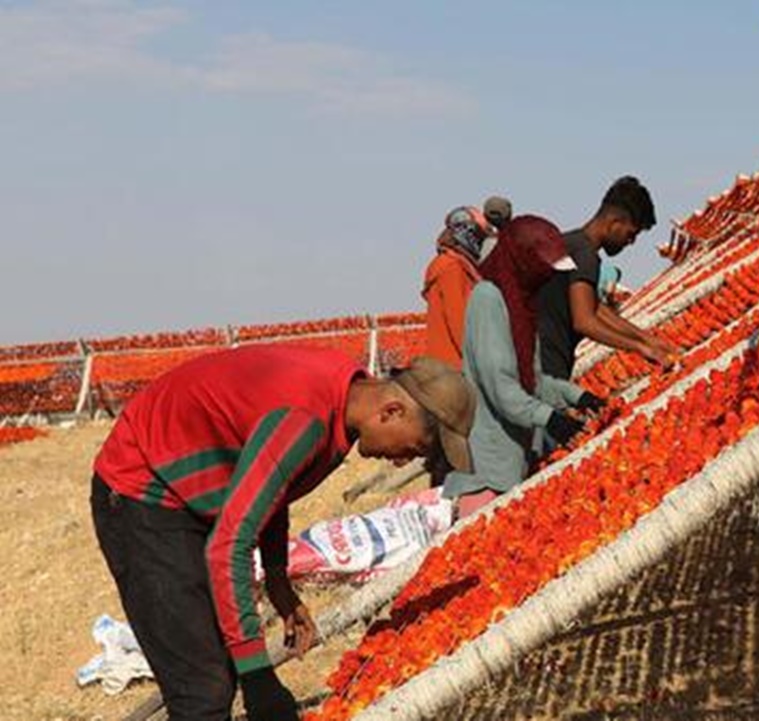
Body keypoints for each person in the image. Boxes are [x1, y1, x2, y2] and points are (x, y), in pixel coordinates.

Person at [90, 346, 474, 720]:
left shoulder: (345, 398)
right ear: (392, 411)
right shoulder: (305, 417)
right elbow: (227, 547)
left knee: (213, 670)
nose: (405, 460)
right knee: (202, 691)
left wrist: (278, 583)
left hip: (189, 492)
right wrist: (259, 678)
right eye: (419, 445)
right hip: (141, 490)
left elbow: (272, 488)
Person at [445, 215, 606, 518]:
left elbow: (533, 381)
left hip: (513, 462)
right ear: (522, 260)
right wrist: (551, 419)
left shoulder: (521, 307)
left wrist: (578, 396)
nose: (547, 276)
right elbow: (500, 387)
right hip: (487, 469)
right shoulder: (488, 299)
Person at [537, 176, 679, 381]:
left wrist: (647, 339)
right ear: (615, 223)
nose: (630, 242)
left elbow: (594, 308)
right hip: (546, 368)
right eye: (631, 234)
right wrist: (640, 348)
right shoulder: (586, 256)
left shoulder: (568, 242)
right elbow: (584, 321)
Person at [420, 206, 493, 369]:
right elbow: (458, 320)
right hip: (454, 369)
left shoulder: (457, 265)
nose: (480, 243)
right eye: (478, 236)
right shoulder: (451, 267)